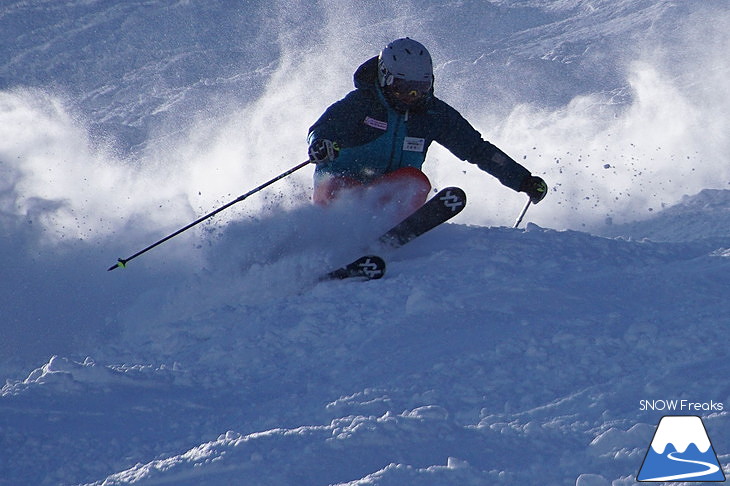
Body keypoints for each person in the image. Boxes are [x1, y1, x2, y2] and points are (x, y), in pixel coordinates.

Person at [307, 37, 547, 216]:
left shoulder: (433, 114)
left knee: (415, 181)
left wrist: (522, 180)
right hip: (341, 187)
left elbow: (477, 150)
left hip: (387, 195)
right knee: (346, 187)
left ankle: (392, 233)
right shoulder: (361, 104)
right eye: (402, 87)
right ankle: (337, 235)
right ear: (384, 78)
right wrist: (321, 145)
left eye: (419, 88)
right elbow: (322, 130)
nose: (411, 95)